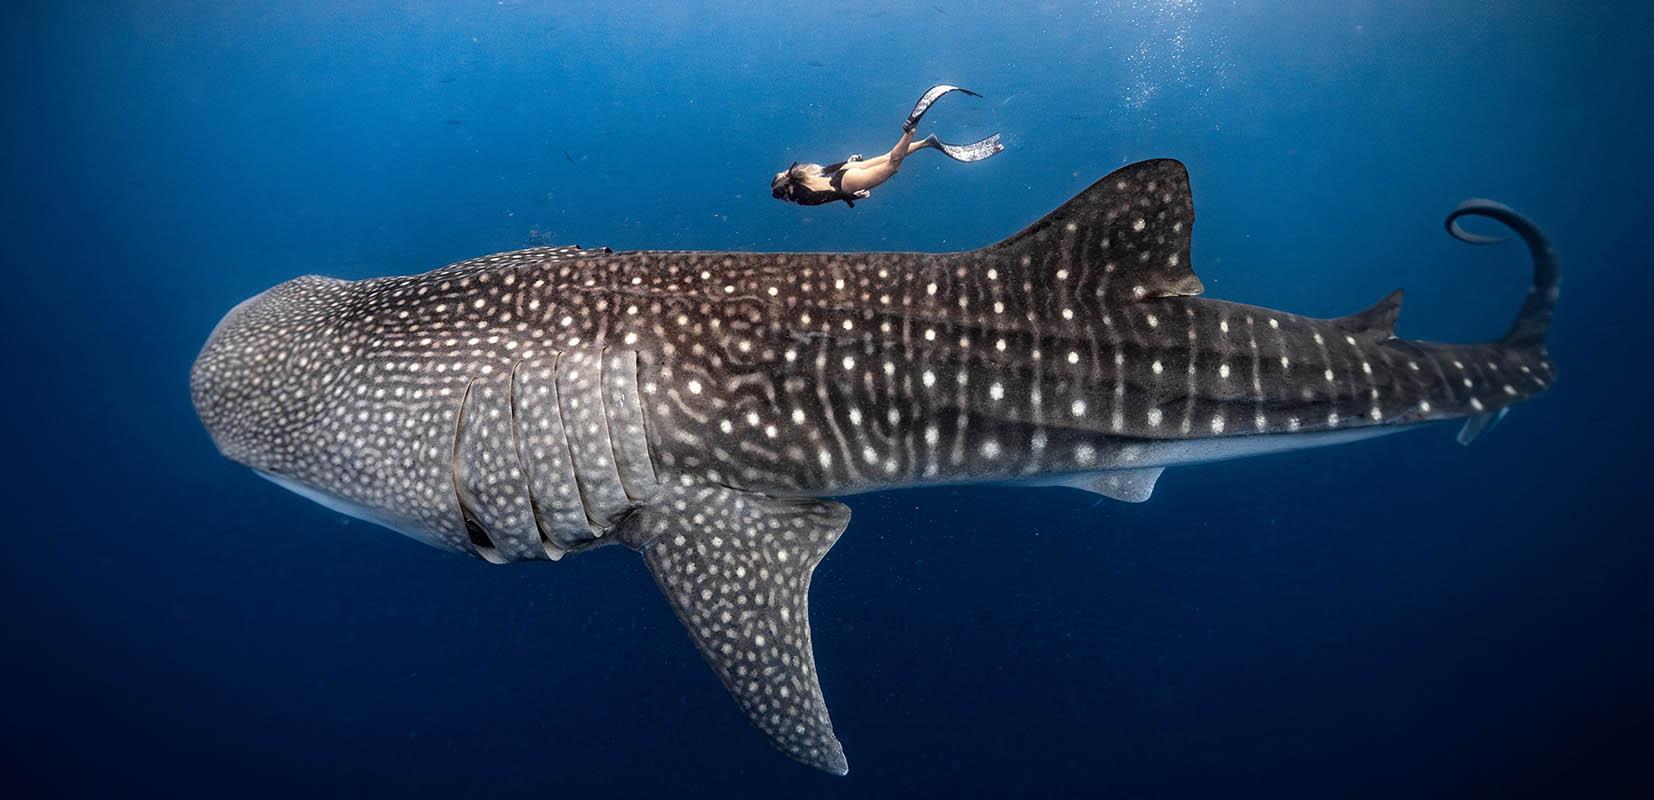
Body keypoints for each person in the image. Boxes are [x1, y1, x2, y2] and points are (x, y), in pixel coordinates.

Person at [771, 85, 1003, 208]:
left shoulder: (800, 196)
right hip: (845, 173)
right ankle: (926, 143)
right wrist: (848, 162)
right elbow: (827, 170)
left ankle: (910, 130)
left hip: (848, 183)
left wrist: (848, 197)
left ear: (784, 193)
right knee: (887, 156)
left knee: (893, 165)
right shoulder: (802, 177)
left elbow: (823, 197)